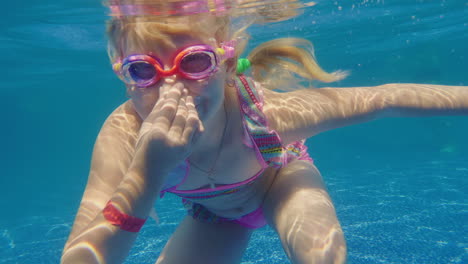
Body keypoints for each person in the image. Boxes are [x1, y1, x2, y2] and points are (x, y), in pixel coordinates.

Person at [61, 1, 468, 263]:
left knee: (320, 257)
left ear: (225, 59)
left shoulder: (266, 115)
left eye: (195, 63)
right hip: (214, 216)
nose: (172, 88)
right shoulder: (125, 135)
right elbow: (80, 258)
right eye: (143, 70)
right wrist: (144, 176)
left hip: (280, 182)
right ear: (122, 75)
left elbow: (385, 98)